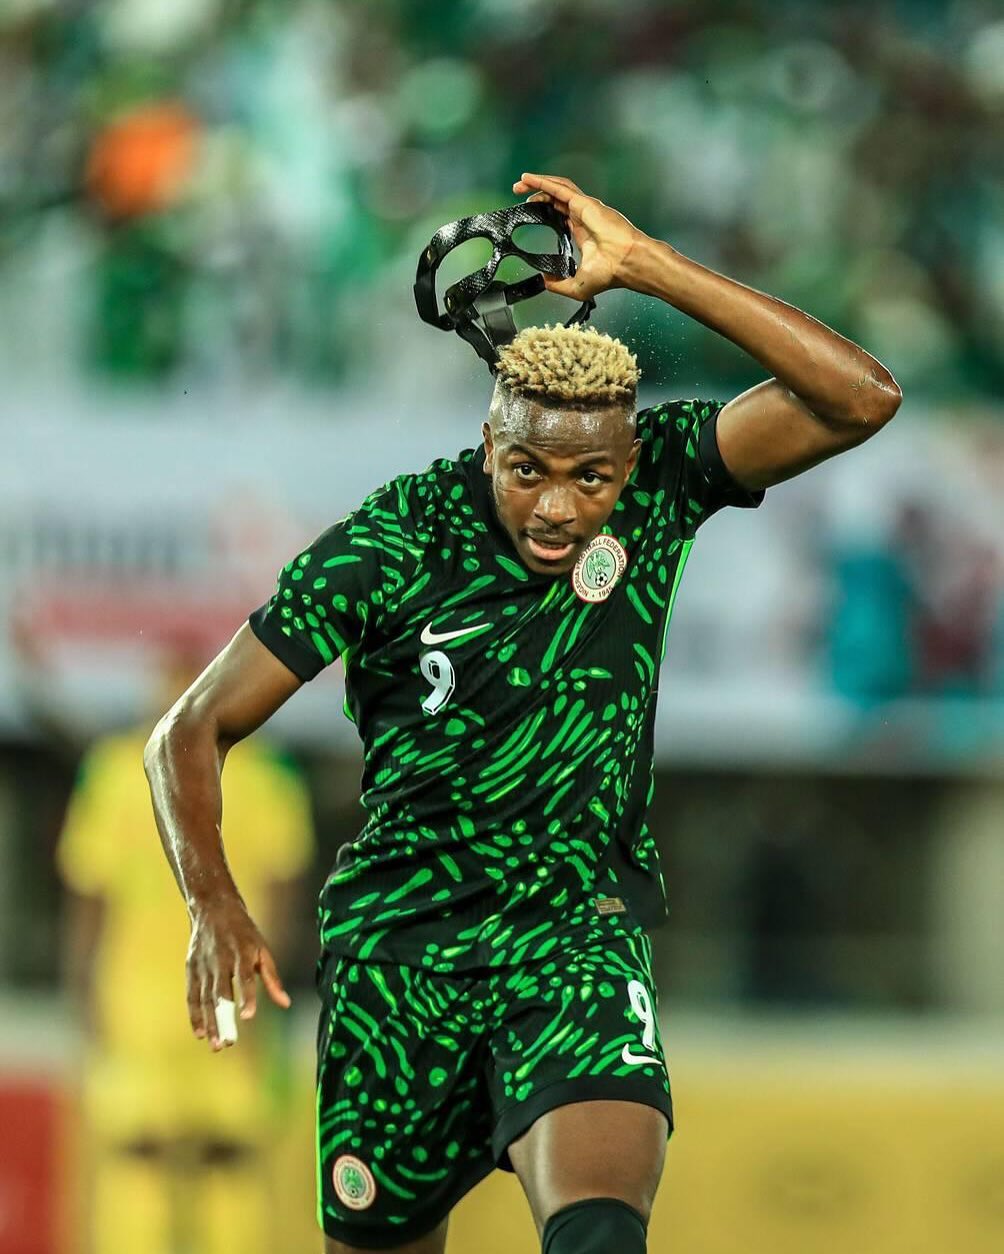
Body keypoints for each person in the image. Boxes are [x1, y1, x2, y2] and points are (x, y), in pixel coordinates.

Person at [144, 172, 902, 1254]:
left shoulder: (664, 484)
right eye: (526, 469)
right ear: (488, 439)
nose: (556, 507)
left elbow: (860, 398)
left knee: (599, 1235)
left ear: (628, 463)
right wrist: (212, 899)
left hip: (571, 939)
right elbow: (191, 728)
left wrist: (647, 266)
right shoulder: (392, 542)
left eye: (590, 478)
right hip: (399, 960)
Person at [60, 644, 315, 1254]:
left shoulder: (117, 769)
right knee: (230, 1159)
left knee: (137, 1159)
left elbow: (88, 900)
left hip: (136, 1002)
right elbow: (285, 901)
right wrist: (268, 988)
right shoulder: (266, 774)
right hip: (227, 994)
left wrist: (81, 991)